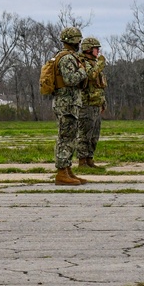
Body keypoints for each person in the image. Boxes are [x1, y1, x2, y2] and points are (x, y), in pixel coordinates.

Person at [51, 26, 89, 186]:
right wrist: (83, 71)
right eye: (77, 39)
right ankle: (61, 172)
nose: (79, 42)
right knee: (65, 138)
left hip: (71, 103)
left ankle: (67, 169)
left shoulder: (71, 57)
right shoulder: (66, 58)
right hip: (66, 104)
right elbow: (70, 79)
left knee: (71, 138)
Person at [77, 37, 107, 169]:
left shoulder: (94, 63)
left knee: (94, 135)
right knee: (85, 134)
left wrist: (103, 102)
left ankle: (90, 159)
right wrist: (100, 64)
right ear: (89, 49)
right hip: (86, 104)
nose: (98, 50)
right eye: (96, 48)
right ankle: (82, 161)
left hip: (96, 103)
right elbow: (90, 75)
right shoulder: (83, 62)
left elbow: (99, 85)